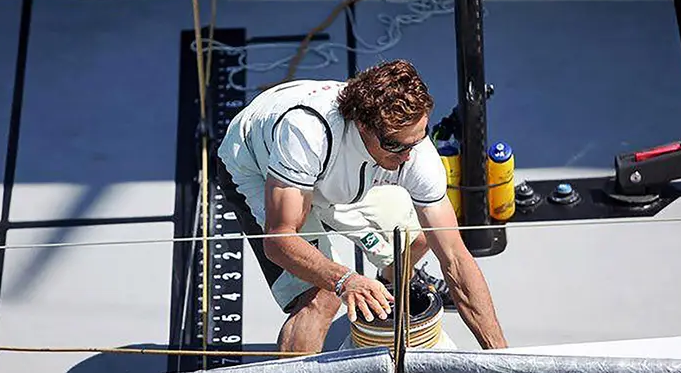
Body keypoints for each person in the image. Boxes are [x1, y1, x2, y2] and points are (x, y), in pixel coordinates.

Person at [215, 59, 508, 352]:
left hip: (340, 173)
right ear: (362, 124)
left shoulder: (412, 151)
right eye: (396, 145)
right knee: (322, 297)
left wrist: (502, 357)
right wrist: (344, 280)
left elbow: (455, 258)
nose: (408, 156)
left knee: (418, 239)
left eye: (417, 139)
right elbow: (279, 239)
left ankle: (387, 283)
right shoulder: (306, 133)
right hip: (257, 165)